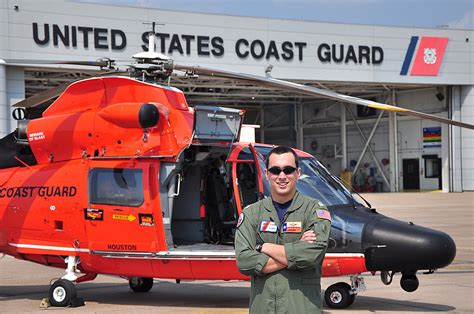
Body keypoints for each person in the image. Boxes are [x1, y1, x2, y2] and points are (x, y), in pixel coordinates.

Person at [234, 146, 331, 313]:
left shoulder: (314, 211)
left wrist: (262, 247)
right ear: (266, 174)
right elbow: (244, 262)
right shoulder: (251, 213)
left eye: (288, 170)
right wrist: (296, 248)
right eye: (275, 170)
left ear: (298, 173)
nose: (282, 176)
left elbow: (310, 255)